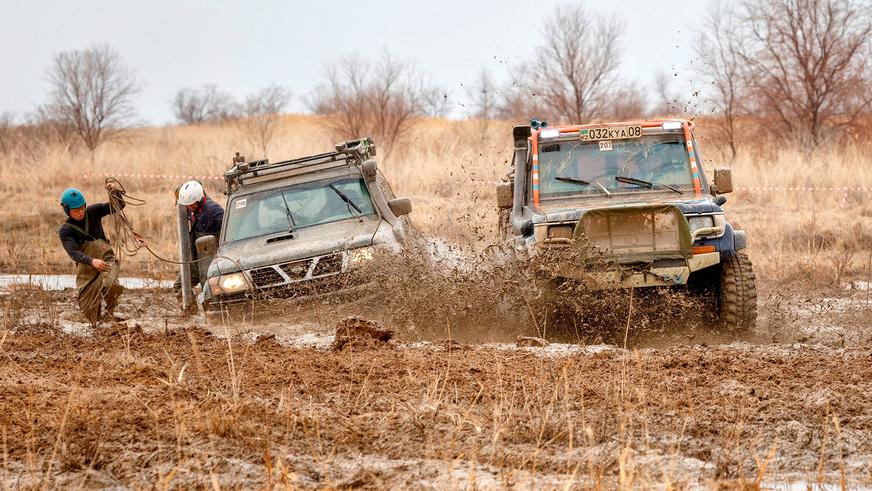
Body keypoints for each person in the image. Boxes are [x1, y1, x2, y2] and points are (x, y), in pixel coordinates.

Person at [58, 185, 125, 324]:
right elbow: (73, 253)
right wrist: (92, 261)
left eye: (82, 207)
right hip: (87, 270)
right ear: (67, 210)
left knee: (110, 283)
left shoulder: (93, 211)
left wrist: (115, 192)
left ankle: (111, 312)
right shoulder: (65, 231)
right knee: (88, 310)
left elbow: (118, 205)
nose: (81, 212)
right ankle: (98, 322)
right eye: (76, 210)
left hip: (107, 260)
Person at [174, 180, 224, 293]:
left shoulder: (214, 211)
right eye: (187, 205)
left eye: (192, 204)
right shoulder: (189, 207)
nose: (190, 207)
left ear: (200, 199)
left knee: (209, 290)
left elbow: (230, 226)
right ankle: (190, 310)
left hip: (210, 260)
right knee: (179, 287)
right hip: (195, 259)